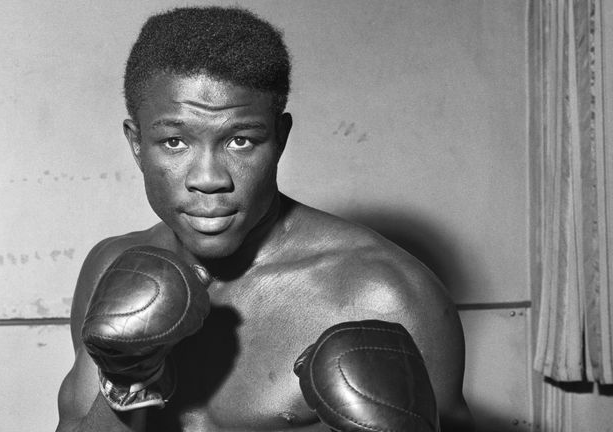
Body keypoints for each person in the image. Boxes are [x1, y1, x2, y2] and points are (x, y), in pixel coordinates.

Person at [57, 6, 474, 432]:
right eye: (175, 141)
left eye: (240, 140)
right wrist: (127, 381)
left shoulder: (388, 296)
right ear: (136, 143)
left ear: (280, 138)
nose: (209, 179)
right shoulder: (111, 269)